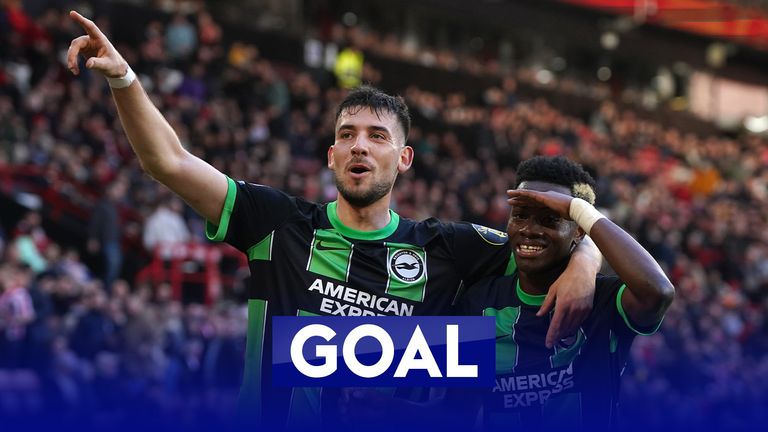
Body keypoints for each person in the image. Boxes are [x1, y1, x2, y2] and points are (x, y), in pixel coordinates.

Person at [66, 12, 602, 429]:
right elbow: (169, 161)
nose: (359, 147)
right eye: (347, 135)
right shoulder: (275, 222)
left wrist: (585, 258)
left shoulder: (445, 246)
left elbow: (542, 242)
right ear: (330, 155)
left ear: (404, 159)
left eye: (377, 136)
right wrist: (124, 79)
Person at [460, 156, 675, 431]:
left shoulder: (604, 300)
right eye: (520, 215)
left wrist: (578, 209)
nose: (529, 230)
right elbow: (459, 404)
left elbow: (658, 293)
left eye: (549, 219)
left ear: (579, 231)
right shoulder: (481, 303)